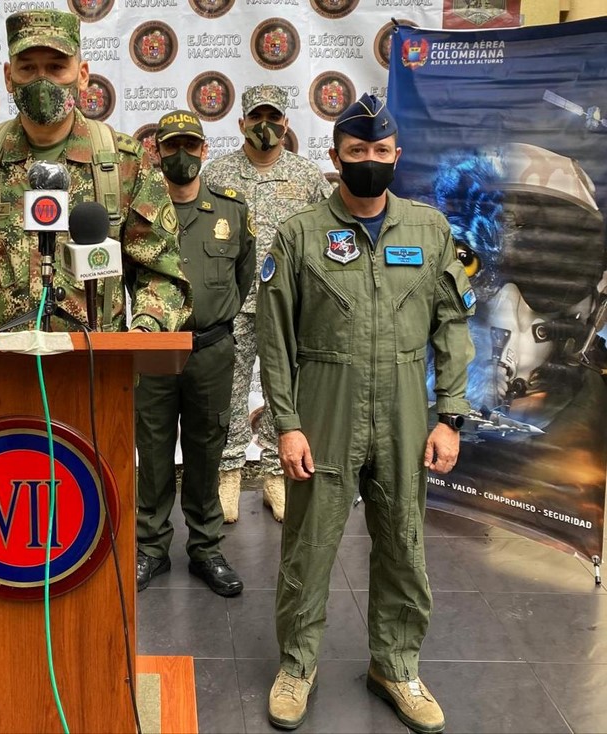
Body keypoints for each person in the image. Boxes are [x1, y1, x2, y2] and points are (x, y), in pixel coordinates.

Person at [256, 94, 475, 732]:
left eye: (380, 150)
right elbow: (275, 339)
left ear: (396, 155)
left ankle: (396, 667)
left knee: (404, 542)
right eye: (357, 151)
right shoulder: (299, 235)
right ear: (335, 157)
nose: (369, 160)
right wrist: (287, 424)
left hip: (405, 406)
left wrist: (449, 416)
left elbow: (452, 326)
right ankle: (297, 666)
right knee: (309, 544)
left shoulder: (429, 231)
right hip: (326, 404)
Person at [0, 9, 190, 334]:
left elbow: (160, 268)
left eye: (56, 67)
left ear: (82, 74)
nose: (42, 81)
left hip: (96, 360)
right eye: (28, 68)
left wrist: (146, 329)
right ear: (9, 76)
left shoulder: (125, 164)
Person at [135, 111, 255, 596]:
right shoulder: (141, 210)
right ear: (157, 151)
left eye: (190, 145)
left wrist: (212, 318)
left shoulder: (231, 209)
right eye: (171, 146)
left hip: (210, 350)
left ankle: (206, 548)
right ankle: (151, 548)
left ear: (205, 150)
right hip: (153, 351)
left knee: (207, 450)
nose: (181, 155)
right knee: (154, 451)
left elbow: (243, 274)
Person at [202, 84, 332, 523]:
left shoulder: (306, 176)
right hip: (232, 303)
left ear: (286, 123)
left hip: (288, 304)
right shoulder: (217, 174)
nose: (265, 126)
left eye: (273, 118)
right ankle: (229, 472)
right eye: (256, 118)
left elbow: (327, 236)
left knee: (285, 390)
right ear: (241, 123)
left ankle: (277, 472)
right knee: (229, 389)